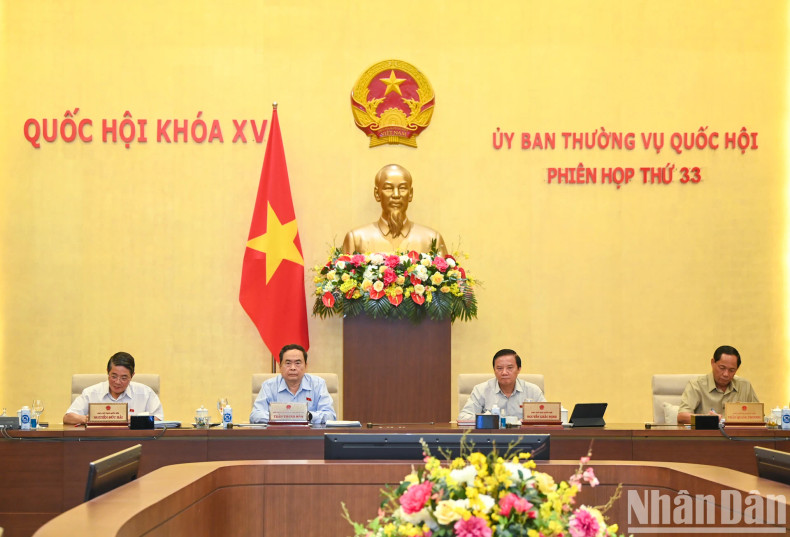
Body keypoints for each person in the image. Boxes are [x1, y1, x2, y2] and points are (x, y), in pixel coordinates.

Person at [342, 164, 448, 255]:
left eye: (402, 188)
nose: (396, 195)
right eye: (388, 188)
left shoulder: (432, 239)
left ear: (410, 194)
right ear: (377, 194)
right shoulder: (356, 239)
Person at [63, 351, 163, 425]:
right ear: (107, 371)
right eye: (114, 376)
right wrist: (88, 419)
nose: (117, 382)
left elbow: (159, 420)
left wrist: (133, 420)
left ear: (132, 375)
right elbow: (67, 417)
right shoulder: (91, 392)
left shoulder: (145, 393)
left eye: (124, 378)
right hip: (98, 443)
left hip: (134, 442)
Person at [250, 343, 337, 424]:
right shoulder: (268, 386)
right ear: (280, 366)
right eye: (288, 363)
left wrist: (308, 416)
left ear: (306, 366)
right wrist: (283, 416)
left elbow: (330, 416)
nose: (293, 368)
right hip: (278, 437)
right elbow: (255, 416)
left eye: (298, 363)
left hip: (309, 438)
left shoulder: (318, 384)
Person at [677, 345, 760, 425]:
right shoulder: (696, 385)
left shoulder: (744, 386)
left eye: (731, 370)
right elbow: (682, 417)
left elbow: (759, 417)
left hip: (737, 437)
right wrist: (708, 419)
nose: (726, 374)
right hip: (707, 437)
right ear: (713, 363)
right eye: (722, 368)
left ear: (737, 369)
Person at [458, 348, 545, 422]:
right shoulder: (481, 390)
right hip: (492, 438)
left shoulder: (533, 391)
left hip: (525, 438)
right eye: (499, 368)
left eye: (510, 368)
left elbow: (549, 417)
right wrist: (490, 419)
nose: (504, 372)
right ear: (494, 370)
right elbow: (463, 417)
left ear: (519, 369)